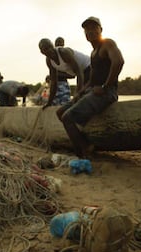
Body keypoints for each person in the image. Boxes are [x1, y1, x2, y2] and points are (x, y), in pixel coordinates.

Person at [56, 16, 124, 158]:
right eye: (87, 29)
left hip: (106, 93)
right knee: (60, 112)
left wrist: (105, 86)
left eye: (94, 28)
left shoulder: (108, 44)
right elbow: (92, 81)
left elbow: (119, 62)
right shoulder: (93, 53)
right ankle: (85, 141)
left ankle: (84, 150)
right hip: (93, 91)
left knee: (68, 118)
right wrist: (80, 92)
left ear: (101, 30)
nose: (90, 31)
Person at [38, 38, 90, 108]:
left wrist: (77, 92)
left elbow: (79, 72)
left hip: (88, 67)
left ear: (53, 46)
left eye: (50, 47)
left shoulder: (63, 52)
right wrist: (49, 102)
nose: (49, 50)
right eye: (45, 49)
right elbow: (54, 82)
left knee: (81, 97)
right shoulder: (49, 61)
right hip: (81, 72)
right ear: (42, 52)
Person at [54, 37, 73, 106]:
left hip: (63, 85)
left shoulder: (65, 56)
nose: (59, 45)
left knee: (64, 105)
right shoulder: (52, 57)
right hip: (55, 85)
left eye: (61, 43)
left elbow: (73, 75)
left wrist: (57, 74)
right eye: (57, 43)